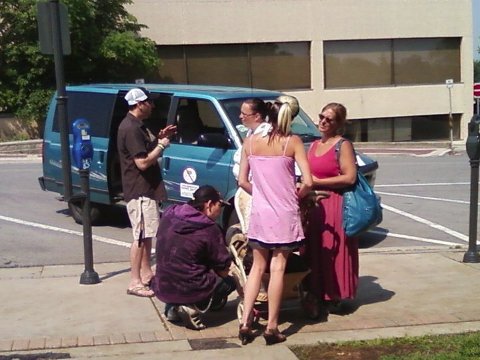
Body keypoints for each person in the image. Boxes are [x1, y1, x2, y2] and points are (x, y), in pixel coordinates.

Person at [237, 99, 312, 345]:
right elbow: (308, 182)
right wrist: (295, 194)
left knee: (257, 268)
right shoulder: (292, 142)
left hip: (260, 212)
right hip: (284, 213)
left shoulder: (250, 142)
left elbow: (242, 181)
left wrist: (260, 193)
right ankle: (272, 326)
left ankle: (246, 322)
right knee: (278, 268)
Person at [117, 87, 177, 298]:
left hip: (146, 191)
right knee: (140, 236)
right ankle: (134, 282)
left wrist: (159, 138)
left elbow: (145, 151)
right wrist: (161, 146)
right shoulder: (131, 128)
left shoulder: (138, 126)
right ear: (139, 104)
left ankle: (146, 273)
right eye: (149, 102)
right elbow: (142, 162)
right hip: (139, 191)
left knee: (148, 234)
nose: (152, 105)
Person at [152, 185, 238, 330]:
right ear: (209, 205)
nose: (220, 211)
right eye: (219, 206)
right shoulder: (209, 228)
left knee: (181, 265)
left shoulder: (169, 213)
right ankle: (195, 306)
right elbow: (223, 267)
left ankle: (173, 307)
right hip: (190, 287)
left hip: (162, 285)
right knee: (228, 282)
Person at [302, 102, 359, 319]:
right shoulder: (314, 145)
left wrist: (319, 181)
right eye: (321, 117)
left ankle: (334, 294)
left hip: (335, 203)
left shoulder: (342, 145)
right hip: (314, 204)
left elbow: (350, 177)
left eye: (329, 119)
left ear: (339, 123)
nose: (323, 122)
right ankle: (316, 292)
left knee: (333, 248)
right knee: (315, 249)